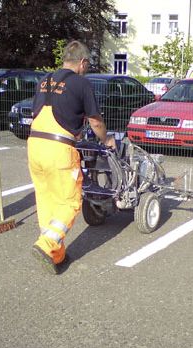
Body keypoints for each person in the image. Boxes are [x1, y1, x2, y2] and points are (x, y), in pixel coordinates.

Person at [28, 40, 116, 274]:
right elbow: (95, 121)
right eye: (87, 65)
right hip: (59, 149)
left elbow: (36, 111)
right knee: (70, 201)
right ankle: (46, 245)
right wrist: (106, 139)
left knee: (47, 201)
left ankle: (56, 255)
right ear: (82, 62)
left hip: (35, 145)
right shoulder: (80, 83)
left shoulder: (44, 81)